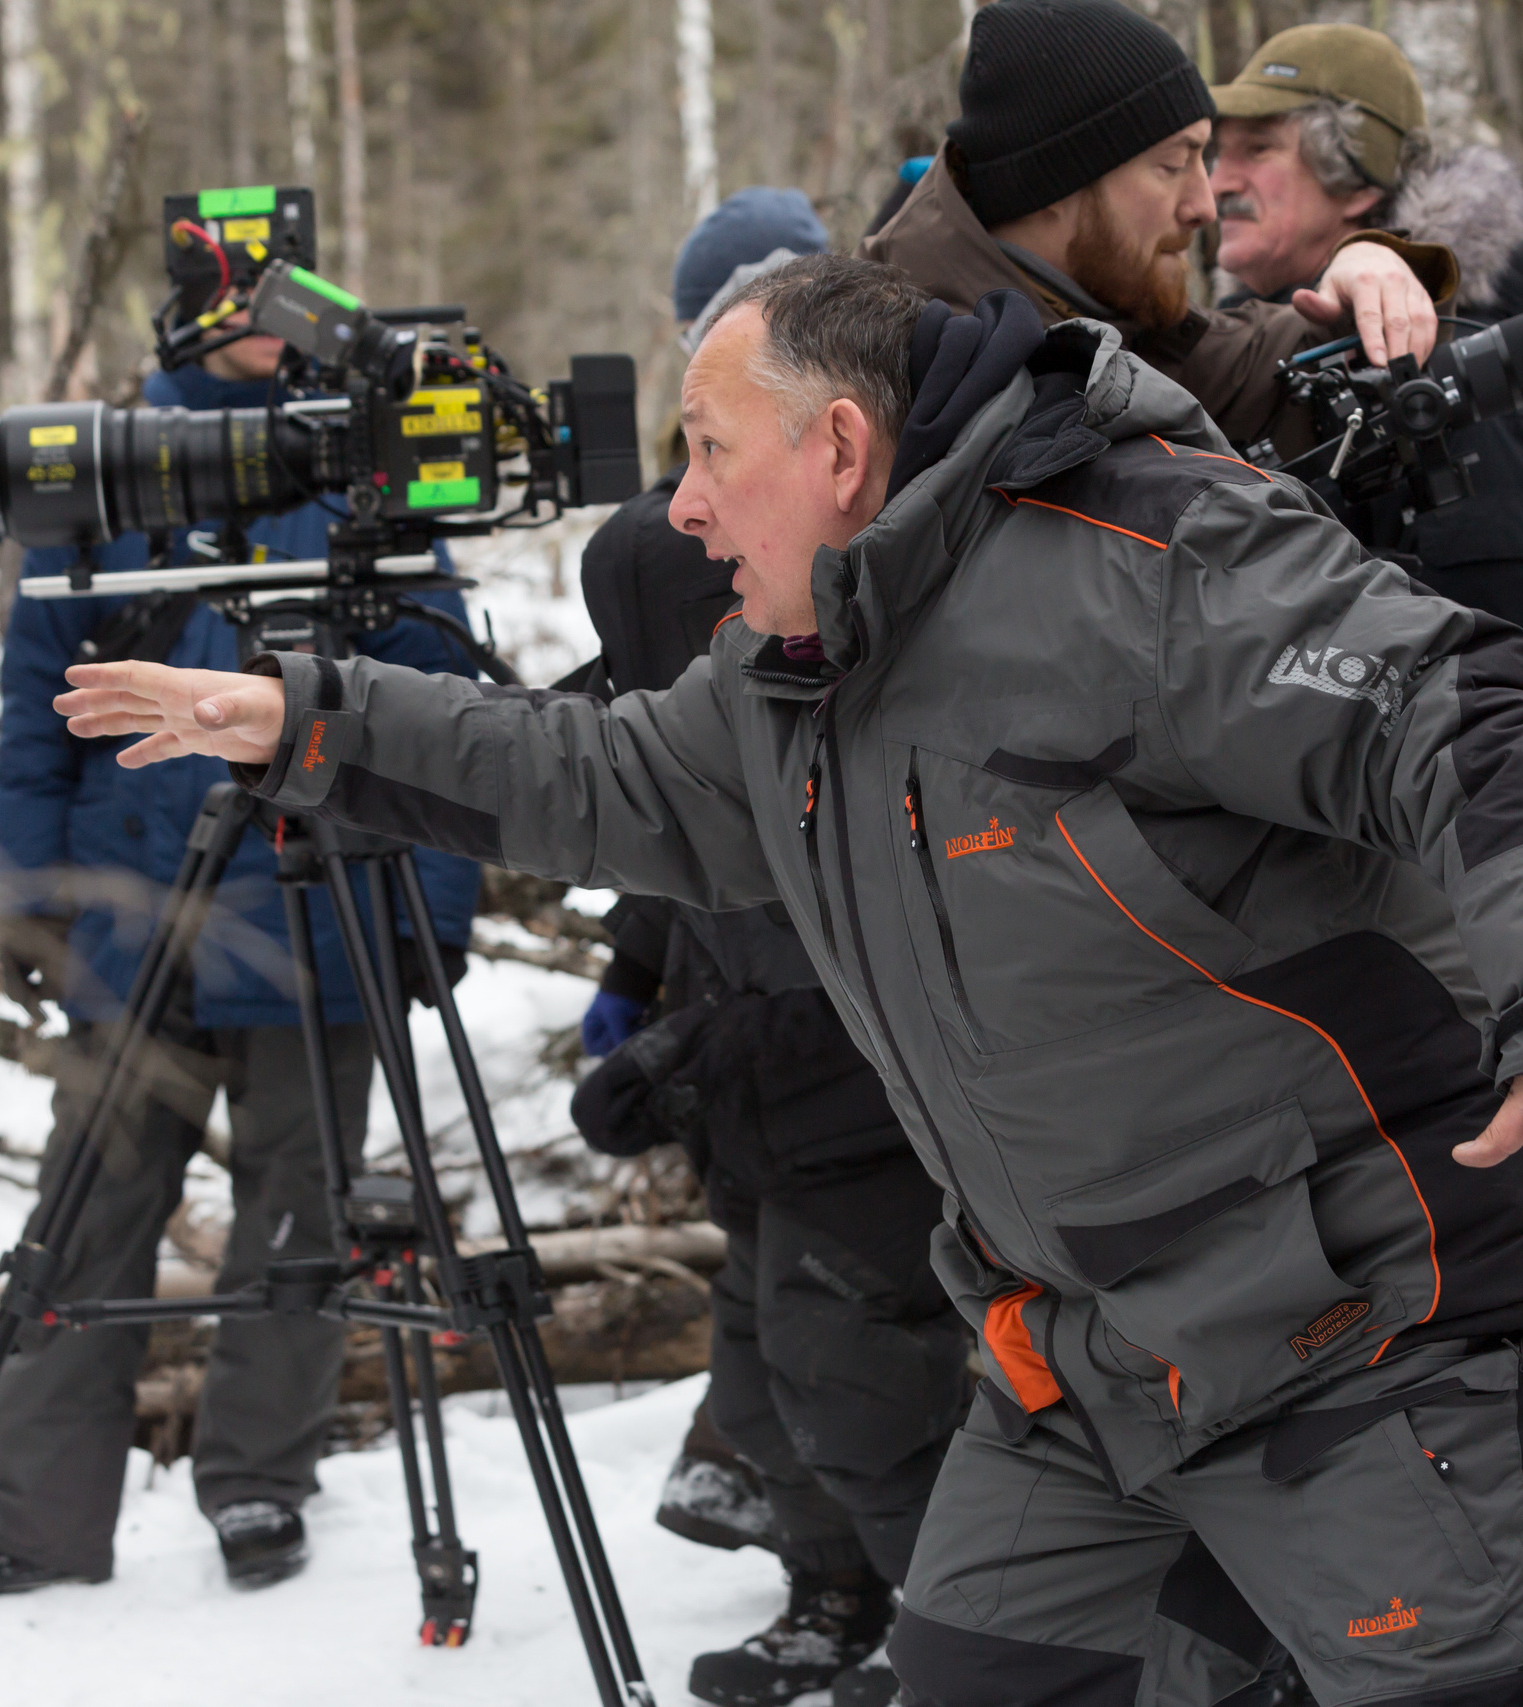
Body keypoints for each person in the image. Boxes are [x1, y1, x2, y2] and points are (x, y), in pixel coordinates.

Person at [56, 253, 1523, 1707]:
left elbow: (1466, 719)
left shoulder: (1154, 567)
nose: (681, 506)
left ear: (842, 448)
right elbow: (606, 778)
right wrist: (318, 720)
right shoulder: (800, 668)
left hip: (1369, 1323)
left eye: (710, 455)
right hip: (1084, 1349)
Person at [0, 288, 483, 1599]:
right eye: (249, 309)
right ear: (190, 332)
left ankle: (261, 1480)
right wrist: (29, 895)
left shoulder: (367, 474)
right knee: (87, 1209)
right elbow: (38, 719)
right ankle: (32, 1504)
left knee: (302, 1214)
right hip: (134, 907)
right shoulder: (103, 468)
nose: (283, 332)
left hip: (319, 913)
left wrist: (433, 907)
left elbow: (450, 718)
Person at [566, 190, 973, 1707]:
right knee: (777, 1366)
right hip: (755, 1088)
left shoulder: (856, 647)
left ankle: (963, 1638)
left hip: (847, 1099)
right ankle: (835, 1593)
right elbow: (658, 821)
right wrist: (634, 983)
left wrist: (682, 1054)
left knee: (861, 1380)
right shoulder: (690, 599)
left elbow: (844, 946)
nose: (700, 517)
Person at [861, 0, 1454, 462]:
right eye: (1173, 166)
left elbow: (1266, 361)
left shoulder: (1118, 332)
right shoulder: (874, 382)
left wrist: (1367, 265)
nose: (1205, 205)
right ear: (1056, 186)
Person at [1208, 24, 1523, 715]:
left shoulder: (1454, 370)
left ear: (1353, 181)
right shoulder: (1244, 345)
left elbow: (1513, 695)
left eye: (1257, 150)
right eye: (1214, 153)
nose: (1218, 181)